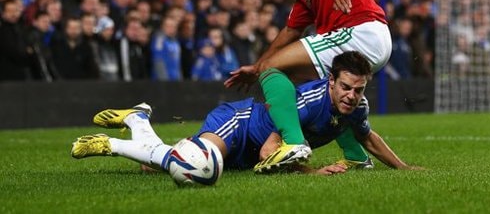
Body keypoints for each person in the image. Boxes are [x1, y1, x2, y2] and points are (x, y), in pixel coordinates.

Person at [224, 0, 392, 172]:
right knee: (320, 90)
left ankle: (292, 144)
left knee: (273, 70)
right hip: (368, 37)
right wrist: (257, 67)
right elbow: (291, 30)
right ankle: (355, 155)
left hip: (359, 31)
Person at [71, 51, 420, 175]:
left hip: (247, 155)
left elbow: (367, 137)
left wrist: (403, 167)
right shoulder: (309, 101)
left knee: (156, 167)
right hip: (237, 126)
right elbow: (272, 151)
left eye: (358, 89)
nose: (351, 96)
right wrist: (313, 173)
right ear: (331, 81)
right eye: (345, 87)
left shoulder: (355, 106)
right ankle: (111, 144)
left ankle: (137, 119)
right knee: (193, 166)